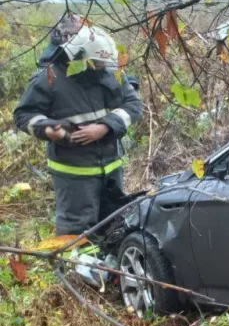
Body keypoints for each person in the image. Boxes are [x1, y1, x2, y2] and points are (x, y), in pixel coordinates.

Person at [14, 23, 142, 236]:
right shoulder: (48, 77)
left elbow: (133, 105)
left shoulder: (110, 71)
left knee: (114, 226)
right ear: (78, 56)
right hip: (73, 175)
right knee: (76, 234)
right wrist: (48, 130)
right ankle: (73, 269)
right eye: (96, 62)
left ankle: (107, 268)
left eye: (103, 62)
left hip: (111, 169)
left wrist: (104, 127)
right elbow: (23, 115)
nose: (102, 66)